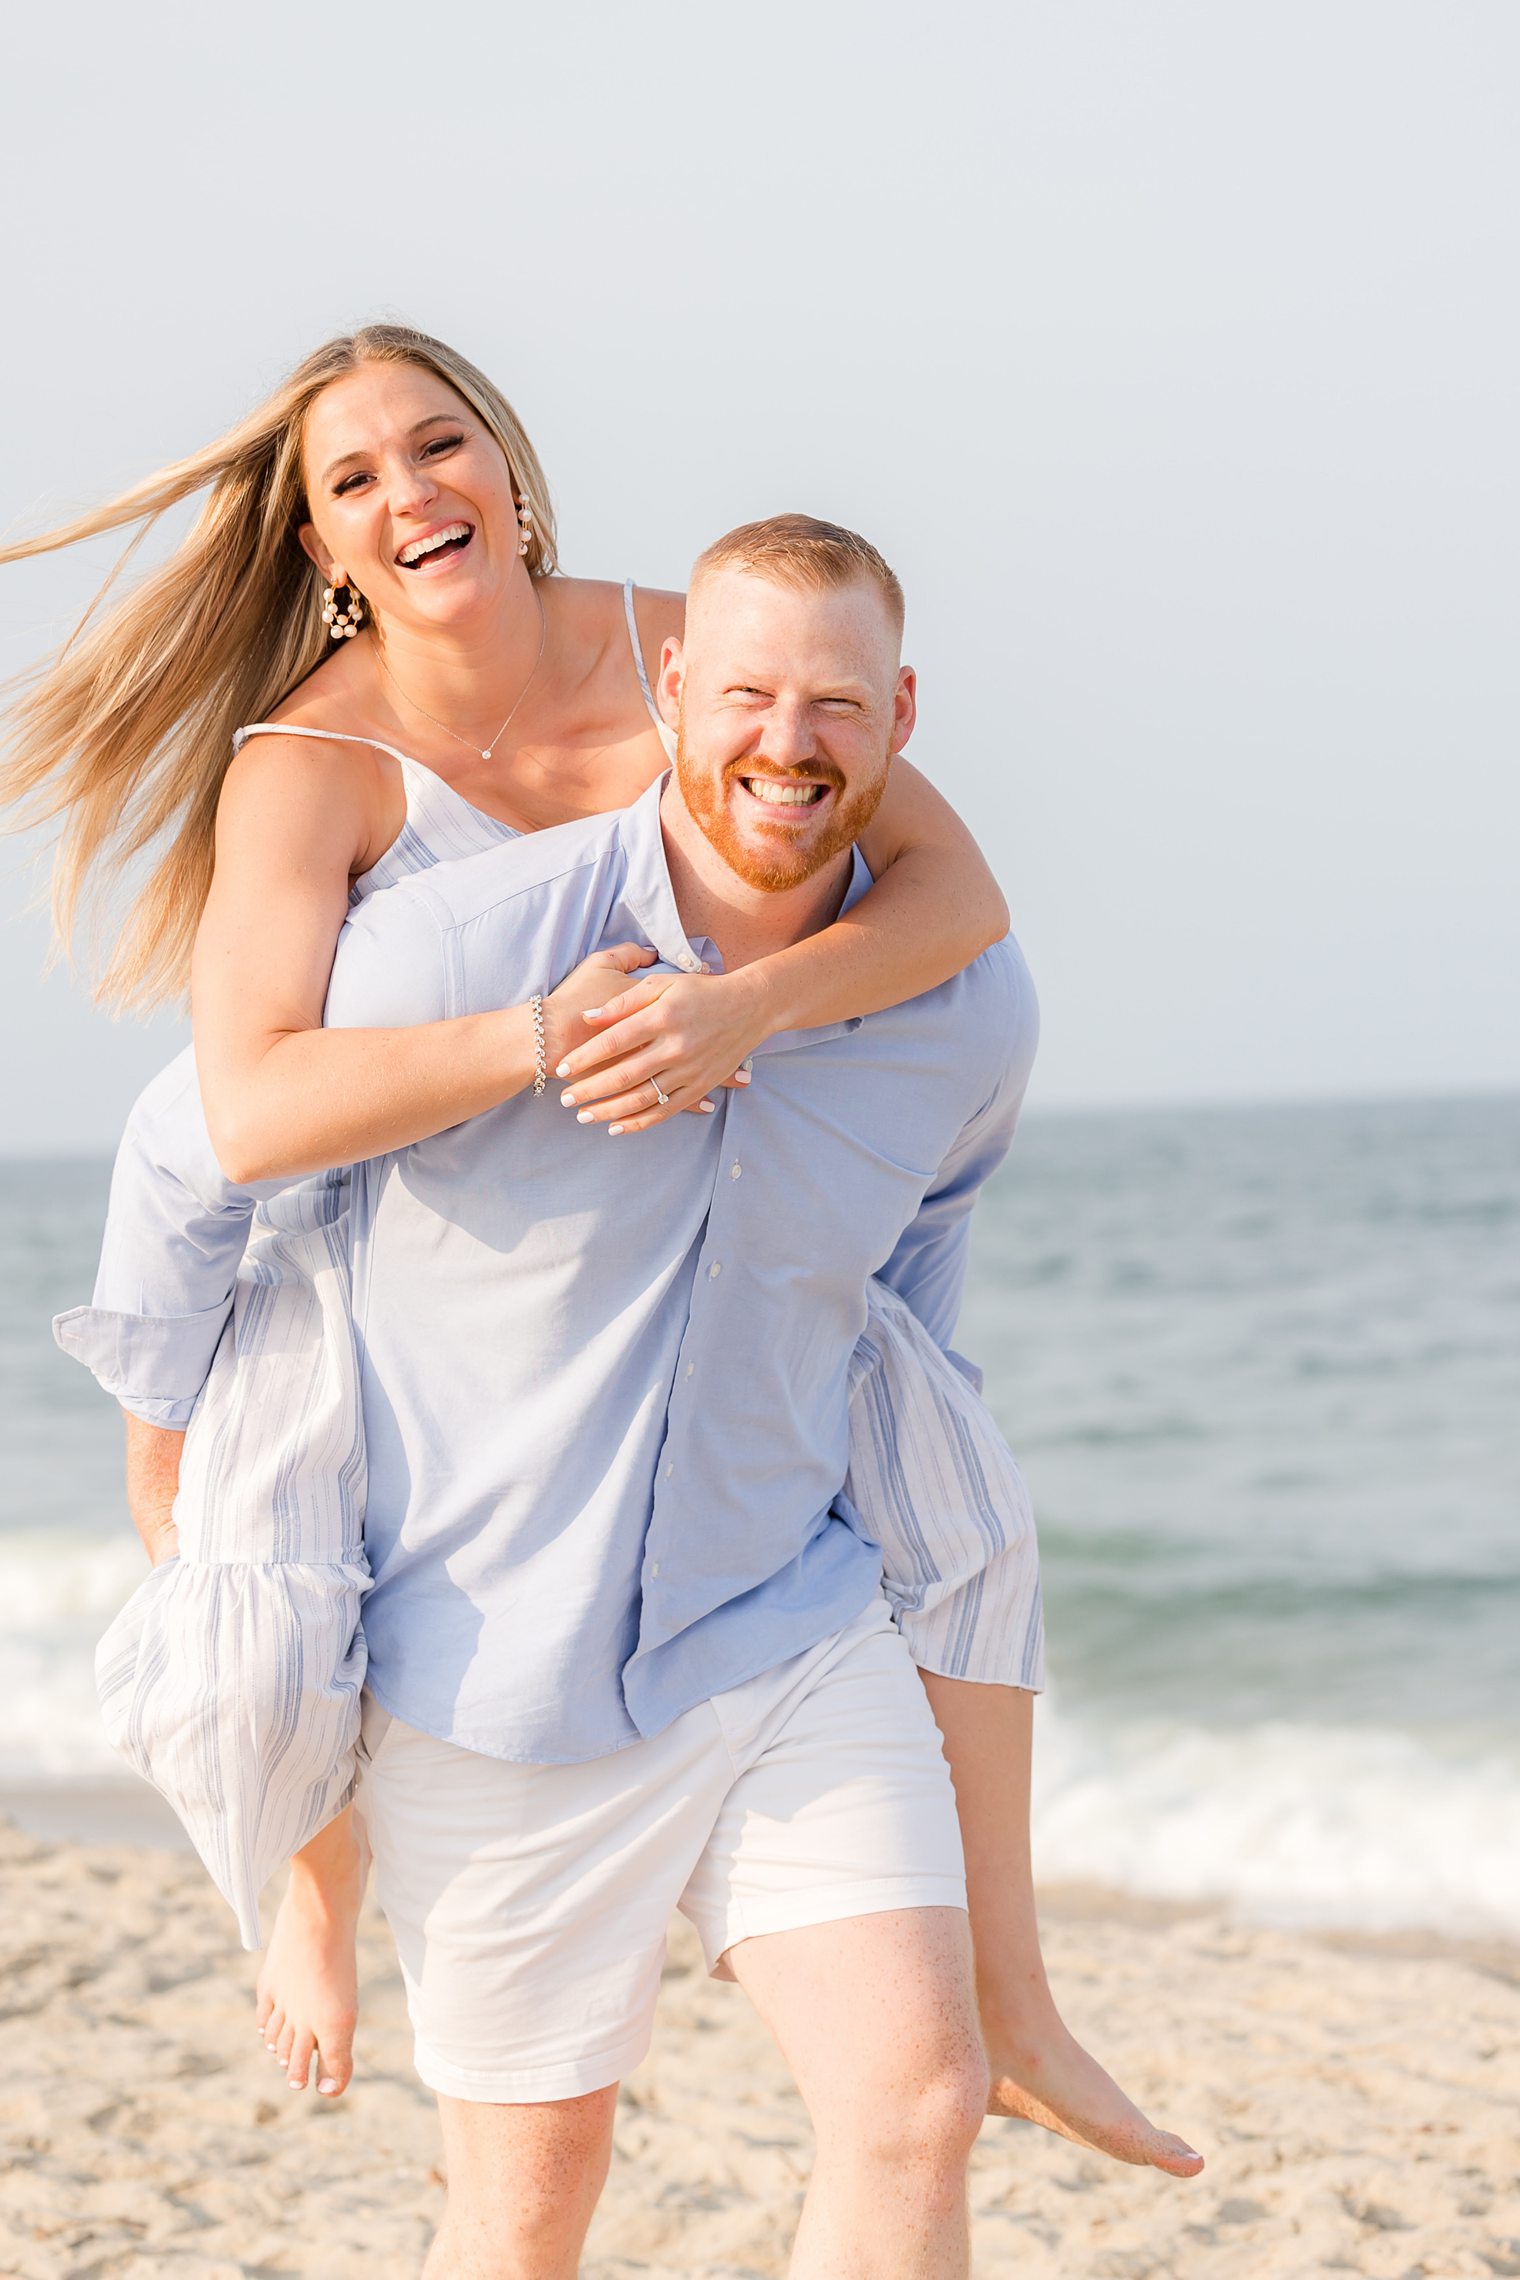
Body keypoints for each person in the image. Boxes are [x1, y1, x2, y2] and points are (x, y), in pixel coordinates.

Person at [5, 326, 1200, 2180]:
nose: (411, 492)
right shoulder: (316, 765)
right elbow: (237, 1115)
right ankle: (307, 1878)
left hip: (699, 1189)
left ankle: (1013, 1994)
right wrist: (539, 1042)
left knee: (944, 1469)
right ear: (323, 543)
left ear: (510, 463)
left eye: (440, 442)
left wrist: (750, 1017)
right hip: (373, 1179)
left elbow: (955, 898)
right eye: (355, 478)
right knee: (258, 1551)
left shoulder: (693, 656)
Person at [215, 514, 1045, 2276]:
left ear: (902, 714)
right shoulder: (463, 949)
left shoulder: (964, 1012)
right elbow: (210, 1199)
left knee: (918, 2102)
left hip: (783, 1626)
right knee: (527, 2216)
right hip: (498, 1681)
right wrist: (263, 1678)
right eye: (747, 692)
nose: (789, 742)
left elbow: (910, 1331)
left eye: (836, 702)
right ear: (672, 690)